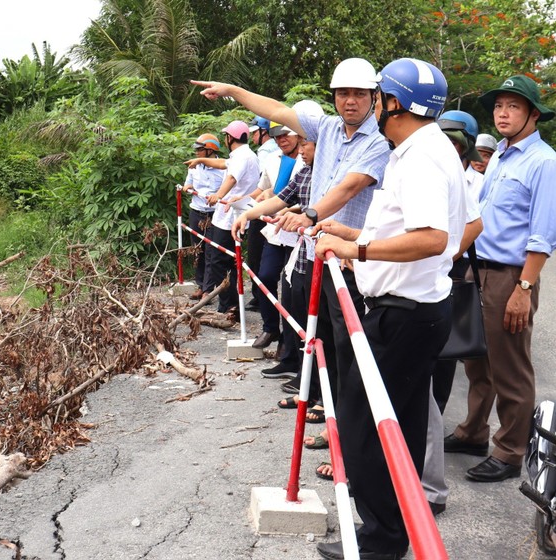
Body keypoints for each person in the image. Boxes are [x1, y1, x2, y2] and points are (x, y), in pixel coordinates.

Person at [311, 58, 466, 559]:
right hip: (416, 307)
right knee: (394, 425)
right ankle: (391, 528)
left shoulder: (420, 157)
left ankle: (382, 540)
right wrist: (352, 235)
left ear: (392, 102)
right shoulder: (429, 148)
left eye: (376, 95)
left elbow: (430, 237)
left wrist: (357, 252)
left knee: (368, 431)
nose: (370, 103)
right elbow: (445, 230)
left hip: (402, 314)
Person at [200, 59, 389, 425]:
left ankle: (344, 422)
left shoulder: (378, 145)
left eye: (360, 94)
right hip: (316, 253)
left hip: (348, 261)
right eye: (344, 93)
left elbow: (349, 187)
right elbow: (276, 110)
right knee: (321, 337)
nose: (351, 101)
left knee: (346, 344)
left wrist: (311, 215)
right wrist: (233, 91)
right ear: (334, 97)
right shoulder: (329, 128)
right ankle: (324, 404)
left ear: (374, 98)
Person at [445, 75, 556, 483]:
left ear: (533, 114)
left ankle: (511, 450)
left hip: (512, 276)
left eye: (514, 106)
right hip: (478, 268)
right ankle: (474, 432)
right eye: (499, 105)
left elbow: (543, 234)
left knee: (510, 367)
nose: (503, 112)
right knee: (477, 360)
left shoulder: (544, 162)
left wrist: (525, 289)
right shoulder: (499, 154)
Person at [422, 109, 485, 517]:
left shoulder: (472, 179)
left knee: (442, 364)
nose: (448, 143)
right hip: (432, 273)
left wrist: (446, 254)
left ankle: (428, 468)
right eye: (443, 135)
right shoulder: (426, 165)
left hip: (450, 273)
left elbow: (474, 224)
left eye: (456, 138)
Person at [186, 121, 260, 316]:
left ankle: (229, 306)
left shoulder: (242, 157)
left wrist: (218, 195)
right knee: (226, 260)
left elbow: (231, 177)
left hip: (230, 218)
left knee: (219, 261)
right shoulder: (243, 155)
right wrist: (201, 161)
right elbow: (222, 164)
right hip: (229, 216)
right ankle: (229, 305)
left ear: (230, 138)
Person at [249, 121, 308, 348]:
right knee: (264, 276)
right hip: (276, 231)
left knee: (292, 289)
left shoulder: (309, 160)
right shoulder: (273, 160)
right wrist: (247, 206)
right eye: (276, 136)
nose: (281, 139)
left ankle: (290, 342)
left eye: (286, 134)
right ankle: (270, 328)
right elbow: (268, 190)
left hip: (299, 231)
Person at [181, 134, 226, 300]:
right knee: (197, 250)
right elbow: (188, 183)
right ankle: (201, 285)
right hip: (196, 211)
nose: (197, 153)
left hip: (214, 213)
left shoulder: (224, 167)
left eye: (200, 149)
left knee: (211, 252)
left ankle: (208, 290)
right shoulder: (194, 166)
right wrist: (188, 187)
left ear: (210, 150)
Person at [246, 116, 280, 310]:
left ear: (264, 132)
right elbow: (264, 188)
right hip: (271, 210)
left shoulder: (267, 152)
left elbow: (268, 188)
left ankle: (260, 299)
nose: (252, 137)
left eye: (255, 132)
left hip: (269, 213)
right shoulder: (275, 153)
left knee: (258, 259)